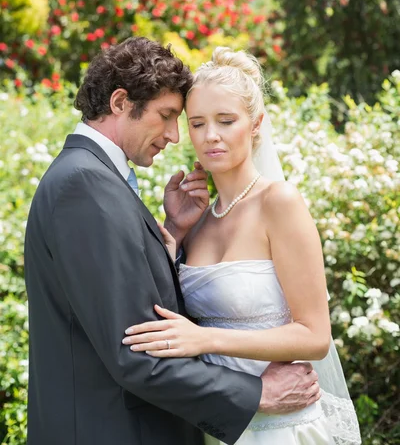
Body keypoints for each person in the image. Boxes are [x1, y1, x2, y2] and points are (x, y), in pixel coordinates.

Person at [24, 37, 321, 445]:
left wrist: (174, 233)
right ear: (120, 102)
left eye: (222, 120)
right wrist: (257, 393)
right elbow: (134, 350)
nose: (177, 136)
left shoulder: (92, 178)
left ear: (255, 124)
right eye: (174, 117)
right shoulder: (85, 183)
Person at [123, 47, 362, 445]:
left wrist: (207, 339)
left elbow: (315, 336)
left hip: (284, 427)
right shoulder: (197, 218)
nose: (210, 136)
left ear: (255, 124)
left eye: (226, 121)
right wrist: (175, 232)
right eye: (197, 123)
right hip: (221, 426)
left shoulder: (279, 202)